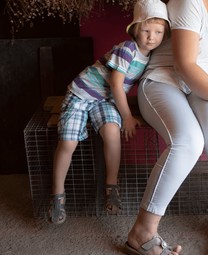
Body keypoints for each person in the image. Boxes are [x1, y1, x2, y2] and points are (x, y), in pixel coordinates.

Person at [125, 0, 208, 255]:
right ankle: (142, 232)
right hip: (163, 79)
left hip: (203, 83)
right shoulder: (187, 2)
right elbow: (184, 65)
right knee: (188, 140)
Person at [48, 0, 170, 225]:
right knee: (68, 142)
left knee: (112, 133)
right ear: (135, 29)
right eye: (145, 30)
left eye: (158, 32)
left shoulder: (151, 56)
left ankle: (111, 186)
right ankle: (57, 195)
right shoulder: (127, 49)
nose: (151, 37)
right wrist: (127, 117)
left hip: (104, 100)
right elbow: (116, 85)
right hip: (82, 94)